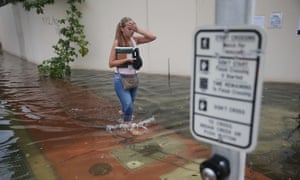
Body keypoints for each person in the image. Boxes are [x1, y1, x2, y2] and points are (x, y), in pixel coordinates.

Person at [109, 17, 156, 124]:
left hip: (134, 78)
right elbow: (111, 64)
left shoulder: (135, 40)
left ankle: (124, 116)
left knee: (128, 107)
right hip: (120, 79)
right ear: (122, 29)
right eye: (129, 28)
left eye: (132, 28)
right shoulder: (117, 43)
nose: (131, 31)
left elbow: (153, 37)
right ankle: (127, 128)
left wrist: (137, 29)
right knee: (129, 106)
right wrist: (126, 59)